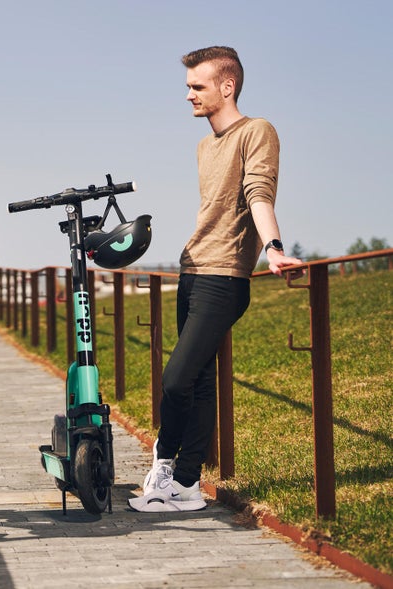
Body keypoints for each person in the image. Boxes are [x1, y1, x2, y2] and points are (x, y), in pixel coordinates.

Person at [128, 47, 303, 512]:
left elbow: (258, 192)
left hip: (224, 276)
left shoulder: (257, 131)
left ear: (227, 86)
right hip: (193, 269)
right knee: (200, 381)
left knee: (175, 379)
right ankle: (186, 487)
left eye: (197, 86)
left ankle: (170, 468)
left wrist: (274, 249)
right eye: (188, 86)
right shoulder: (206, 145)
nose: (188, 95)